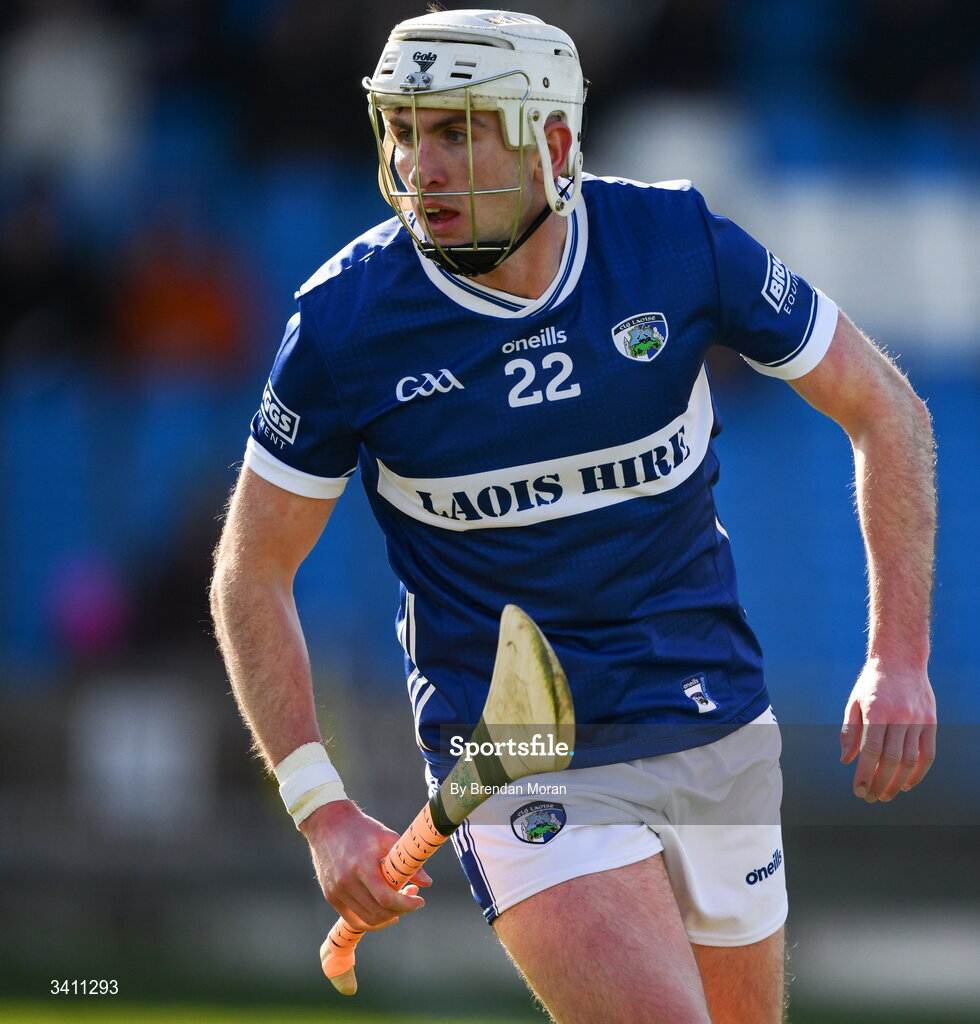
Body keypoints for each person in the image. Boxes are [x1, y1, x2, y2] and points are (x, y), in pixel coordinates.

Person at [209, 10, 937, 1024]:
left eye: (458, 131)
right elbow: (252, 569)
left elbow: (884, 409)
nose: (422, 164)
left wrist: (895, 655)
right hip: (519, 759)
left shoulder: (672, 243)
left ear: (551, 142)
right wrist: (317, 803)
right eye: (406, 129)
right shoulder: (345, 324)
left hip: (712, 714)